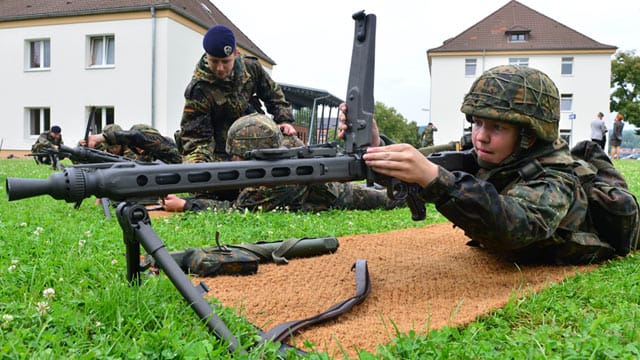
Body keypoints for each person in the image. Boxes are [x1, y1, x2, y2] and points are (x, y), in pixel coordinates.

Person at [339, 65, 625, 265]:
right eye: (477, 122)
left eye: (497, 127)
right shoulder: (491, 153)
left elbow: (515, 225)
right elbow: (421, 160)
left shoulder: (556, 177)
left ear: (529, 135)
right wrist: (376, 146)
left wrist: (438, 181)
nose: (480, 136)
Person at [163, 113, 404, 213]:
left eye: (234, 154)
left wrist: (186, 205)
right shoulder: (280, 150)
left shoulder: (276, 180)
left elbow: (238, 209)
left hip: (337, 195)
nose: (230, 158)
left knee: (389, 199)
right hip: (323, 184)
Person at [178, 25, 296, 164]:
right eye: (214, 61)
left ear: (235, 54)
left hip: (257, 141)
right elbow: (196, 139)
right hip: (221, 153)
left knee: (295, 147)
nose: (220, 68)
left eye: (225, 61)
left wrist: (283, 121)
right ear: (206, 56)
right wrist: (198, 166)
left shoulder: (251, 68)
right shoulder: (199, 89)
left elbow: (274, 96)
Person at [84, 124, 182, 164]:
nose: (138, 149)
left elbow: (137, 136)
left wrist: (99, 138)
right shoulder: (142, 155)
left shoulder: (164, 146)